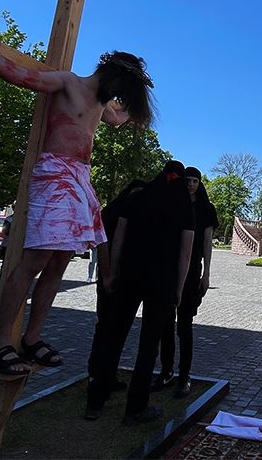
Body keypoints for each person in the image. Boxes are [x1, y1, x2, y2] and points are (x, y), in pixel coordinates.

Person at [0, 19, 156, 378]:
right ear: (109, 75)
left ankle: (32, 337)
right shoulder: (68, 82)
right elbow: (21, 75)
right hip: (55, 174)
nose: (117, 100)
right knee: (34, 261)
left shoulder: (102, 105)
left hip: (79, 179)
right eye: (121, 91)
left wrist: (139, 112)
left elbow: (118, 120)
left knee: (60, 262)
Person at [105, 161, 195, 424]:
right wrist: (178, 288)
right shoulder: (183, 206)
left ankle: (97, 397)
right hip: (162, 282)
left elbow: (119, 237)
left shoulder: (138, 198)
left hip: (130, 276)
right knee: (148, 345)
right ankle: (135, 407)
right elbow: (185, 254)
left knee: (115, 335)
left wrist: (113, 270)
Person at [84, 180, 147, 419]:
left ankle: (100, 375)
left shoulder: (114, 211)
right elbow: (105, 244)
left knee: (106, 327)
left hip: (111, 277)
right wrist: (109, 274)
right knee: (111, 330)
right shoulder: (117, 214)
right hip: (114, 277)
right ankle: (99, 380)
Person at [156, 166, 217, 397]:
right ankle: (166, 370)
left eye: (195, 181)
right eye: (188, 180)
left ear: (199, 184)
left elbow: (208, 242)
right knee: (165, 324)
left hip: (192, 270)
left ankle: (184, 374)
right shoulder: (175, 204)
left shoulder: (206, 209)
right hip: (171, 269)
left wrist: (206, 274)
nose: (191, 184)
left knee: (184, 325)